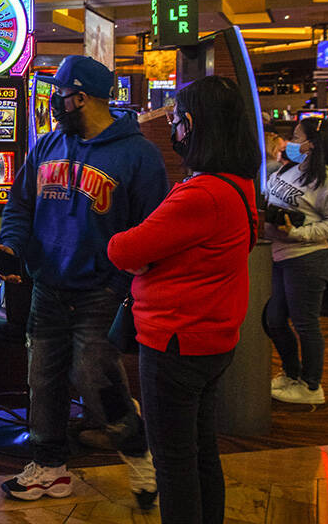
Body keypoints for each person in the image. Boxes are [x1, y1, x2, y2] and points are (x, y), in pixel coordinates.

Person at [0, 55, 167, 504]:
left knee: (98, 381)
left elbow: (152, 230)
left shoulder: (139, 154)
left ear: (82, 98)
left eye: (60, 94)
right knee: (43, 380)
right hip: (48, 287)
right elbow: (20, 205)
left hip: (101, 291)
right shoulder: (48, 145)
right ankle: (49, 467)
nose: (54, 101)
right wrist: (11, 246)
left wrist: (120, 286)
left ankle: (139, 456)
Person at [108, 75, 260, 524]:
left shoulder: (203, 192)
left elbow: (123, 249)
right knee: (200, 452)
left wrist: (144, 257)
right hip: (211, 336)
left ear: (190, 124)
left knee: (174, 462)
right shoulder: (237, 183)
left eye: (175, 120)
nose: (172, 129)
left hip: (176, 339)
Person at [263, 115, 328, 405]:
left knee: (305, 324)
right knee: (274, 319)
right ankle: (291, 373)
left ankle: (311, 386)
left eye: (297, 138)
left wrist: (299, 233)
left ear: (311, 145)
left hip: (308, 260)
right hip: (280, 256)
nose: (290, 143)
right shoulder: (289, 169)